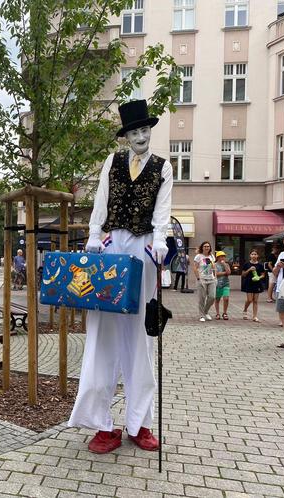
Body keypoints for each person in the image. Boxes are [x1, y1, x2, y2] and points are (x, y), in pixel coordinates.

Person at [68, 99, 171, 454]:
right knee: (102, 335)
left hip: (141, 250)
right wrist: (95, 235)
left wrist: (160, 243)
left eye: (145, 130)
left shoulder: (163, 167)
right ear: (126, 136)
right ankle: (101, 424)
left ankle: (140, 422)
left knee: (140, 338)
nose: (141, 136)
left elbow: (163, 211)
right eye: (135, 131)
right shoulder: (111, 163)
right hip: (111, 250)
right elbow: (100, 202)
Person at [240, 249, 266, 322]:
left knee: (255, 301)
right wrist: (249, 269)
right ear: (250, 255)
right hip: (248, 283)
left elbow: (263, 275)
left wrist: (259, 277)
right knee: (249, 299)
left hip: (257, 284)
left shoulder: (260, 265)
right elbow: (243, 274)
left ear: (257, 256)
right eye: (252, 254)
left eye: (255, 254)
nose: (254, 256)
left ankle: (254, 316)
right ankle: (245, 310)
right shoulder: (246, 264)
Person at [193, 241, 216, 322]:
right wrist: (198, 278)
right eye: (205, 246)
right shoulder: (198, 256)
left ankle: (205, 311)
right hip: (202, 279)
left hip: (211, 279)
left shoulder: (212, 256)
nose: (207, 247)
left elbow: (213, 267)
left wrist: (215, 276)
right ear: (202, 247)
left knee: (212, 297)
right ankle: (201, 315)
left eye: (208, 246)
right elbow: (195, 268)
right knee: (202, 298)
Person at [214, 251, 231, 320]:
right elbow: (215, 274)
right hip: (217, 284)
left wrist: (224, 265)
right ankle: (217, 313)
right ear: (217, 257)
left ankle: (225, 313)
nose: (222, 258)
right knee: (217, 299)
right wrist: (224, 273)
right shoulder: (214, 265)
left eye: (224, 256)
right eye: (221, 256)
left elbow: (229, 272)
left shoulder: (226, 264)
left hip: (226, 284)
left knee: (226, 299)